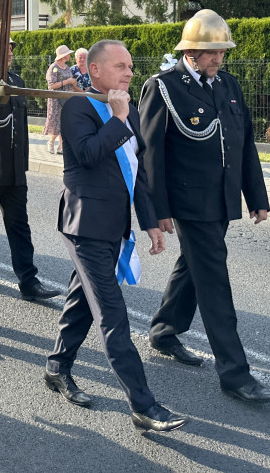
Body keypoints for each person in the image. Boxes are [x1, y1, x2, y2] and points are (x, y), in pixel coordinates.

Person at [44, 40, 187, 434]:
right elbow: (89, 155)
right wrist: (118, 118)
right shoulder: (77, 107)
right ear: (94, 71)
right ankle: (143, 406)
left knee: (82, 301)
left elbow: (136, 169)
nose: (129, 72)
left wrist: (151, 222)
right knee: (112, 314)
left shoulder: (128, 110)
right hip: (84, 227)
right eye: (120, 66)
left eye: (129, 66)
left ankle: (57, 367)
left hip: (114, 226)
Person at [139, 10, 270, 404]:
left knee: (195, 264)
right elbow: (151, 152)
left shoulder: (229, 86)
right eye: (211, 51)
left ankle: (165, 329)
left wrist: (257, 198)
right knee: (215, 280)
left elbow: (244, 144)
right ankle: (236, 374)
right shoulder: (164, 87)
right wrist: (158, 207)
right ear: (191, 51)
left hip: (221, 198)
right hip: (187, 201)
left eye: (222, 50)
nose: (218, 58)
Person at [0, 38, 59, 302]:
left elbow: (19, 127)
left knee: (20, 228)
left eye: (11, 48)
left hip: (13, 173)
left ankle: (29, 282)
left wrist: (23, 166)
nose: (9, 52)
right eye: (4, 48)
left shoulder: (16, 81)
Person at [44, 44, 76, 155]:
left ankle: (61, 146)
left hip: (67, 98)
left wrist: (73, 82)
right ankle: (51, 142)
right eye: (68, 54)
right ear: (63, 56)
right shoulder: (53, 68)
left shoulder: (67, 68)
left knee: (64, 123)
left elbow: (70, 82)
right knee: (56, 122)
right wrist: (67, 81)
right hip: (56, 100)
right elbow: (51, 85)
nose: (70, 56)